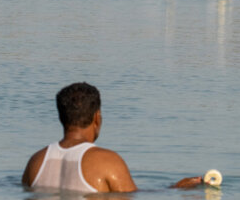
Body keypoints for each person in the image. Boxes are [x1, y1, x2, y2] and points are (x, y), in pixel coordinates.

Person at [22, 82, 203, 193]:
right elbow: (132, 199)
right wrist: (177, 190)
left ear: (61, 117)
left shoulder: (36, 162)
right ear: (97, 118)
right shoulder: (107, 161)